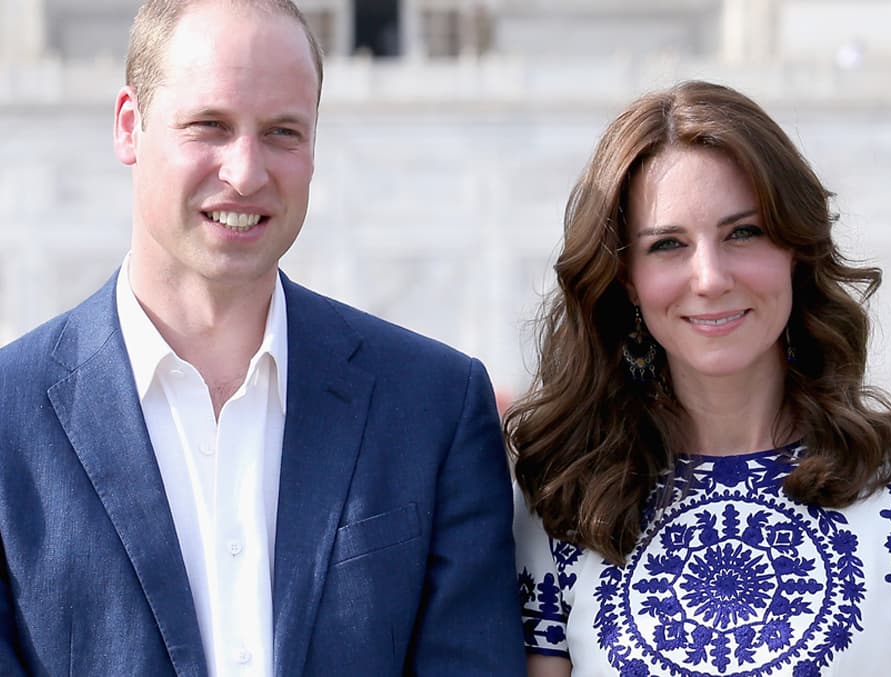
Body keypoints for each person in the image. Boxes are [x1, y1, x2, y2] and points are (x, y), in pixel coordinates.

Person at [0, 1, 525, 675]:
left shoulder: (435, 407)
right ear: (130, 126)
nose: (246, 172)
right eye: (210, 126)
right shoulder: (11, 417)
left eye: (282, 132)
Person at [505, 80, 891, 676]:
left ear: (796, 249)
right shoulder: (561, 503)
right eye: (668, 244)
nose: (711, 277)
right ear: (626, 281)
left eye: (742, 232)